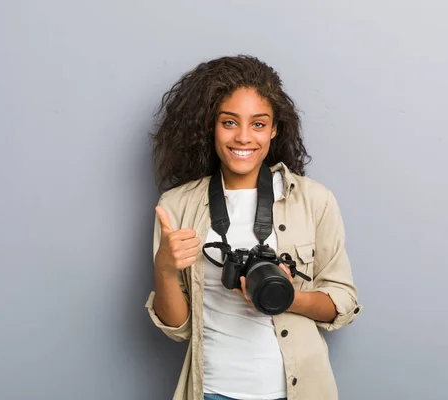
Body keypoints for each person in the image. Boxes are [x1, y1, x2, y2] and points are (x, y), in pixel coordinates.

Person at [146, 55, 362, 400]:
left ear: (275, 129)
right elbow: (178, 329)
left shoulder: (313, 200)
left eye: (258, 124)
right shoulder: (176, 206)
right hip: (211, 390)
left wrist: (282, 296)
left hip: (297, 390)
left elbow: (343, 303)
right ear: (209, 126)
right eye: (229, 123)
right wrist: (165, 269)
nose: (244, 138)